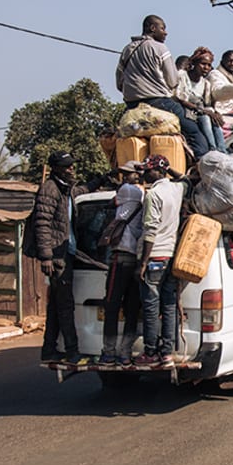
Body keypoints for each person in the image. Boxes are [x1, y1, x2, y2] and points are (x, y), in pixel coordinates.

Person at [115, 14, 211, 159]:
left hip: (131, 105)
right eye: (163, 28)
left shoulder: (127, 49)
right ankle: (201, 164)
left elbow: (118, 83)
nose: (166, 33)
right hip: (159, 102)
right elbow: (173, 81)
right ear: (152, 28)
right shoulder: (160, 48)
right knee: (193, 131)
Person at [35, 152, 93, 364]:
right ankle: (72, 350)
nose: (71, 169)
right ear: (57, 168)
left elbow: (81, 190)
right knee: (65, 305)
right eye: (67, 167)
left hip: (67, 253)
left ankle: (49, 349)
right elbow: (42, 225)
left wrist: (102, 180)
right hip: (57, 256)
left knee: (56, 306)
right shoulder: (49, 190)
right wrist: (46, 256)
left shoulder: (65, 189)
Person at [135, 154, 188, 366]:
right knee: (168, 305)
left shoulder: (153, 194)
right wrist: (170, 169)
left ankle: (150, 352)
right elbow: (186, 179)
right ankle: (167, 352)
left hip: (155, 255)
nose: (144, 173)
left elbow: (150, 230)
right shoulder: (177, 190)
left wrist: (143, 262)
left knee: (150, 307)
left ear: (157, 171)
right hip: (171, 255)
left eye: (148, 170)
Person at [97, 160, 146, 365]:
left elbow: (112, 203)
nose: (125, 177)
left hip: (121, 257)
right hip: (137, 258)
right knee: (132, 307)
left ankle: (109, 352)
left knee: (111, 305)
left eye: (129, 173)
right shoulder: (145, 194)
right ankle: (125, 353)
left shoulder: (127, 190)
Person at [176, 46, 229, 153]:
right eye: (203, 64)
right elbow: (181, 99)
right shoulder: (183, 76)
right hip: (186, 111)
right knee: (205, 117)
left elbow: (207, 103)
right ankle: (212, 148)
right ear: (194, 64)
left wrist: (215, 113)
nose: (206, 68)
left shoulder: (206, 84)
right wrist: (204, 111)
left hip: (200, 111)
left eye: (209, 65)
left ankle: (222, 150)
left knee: (214, 119)